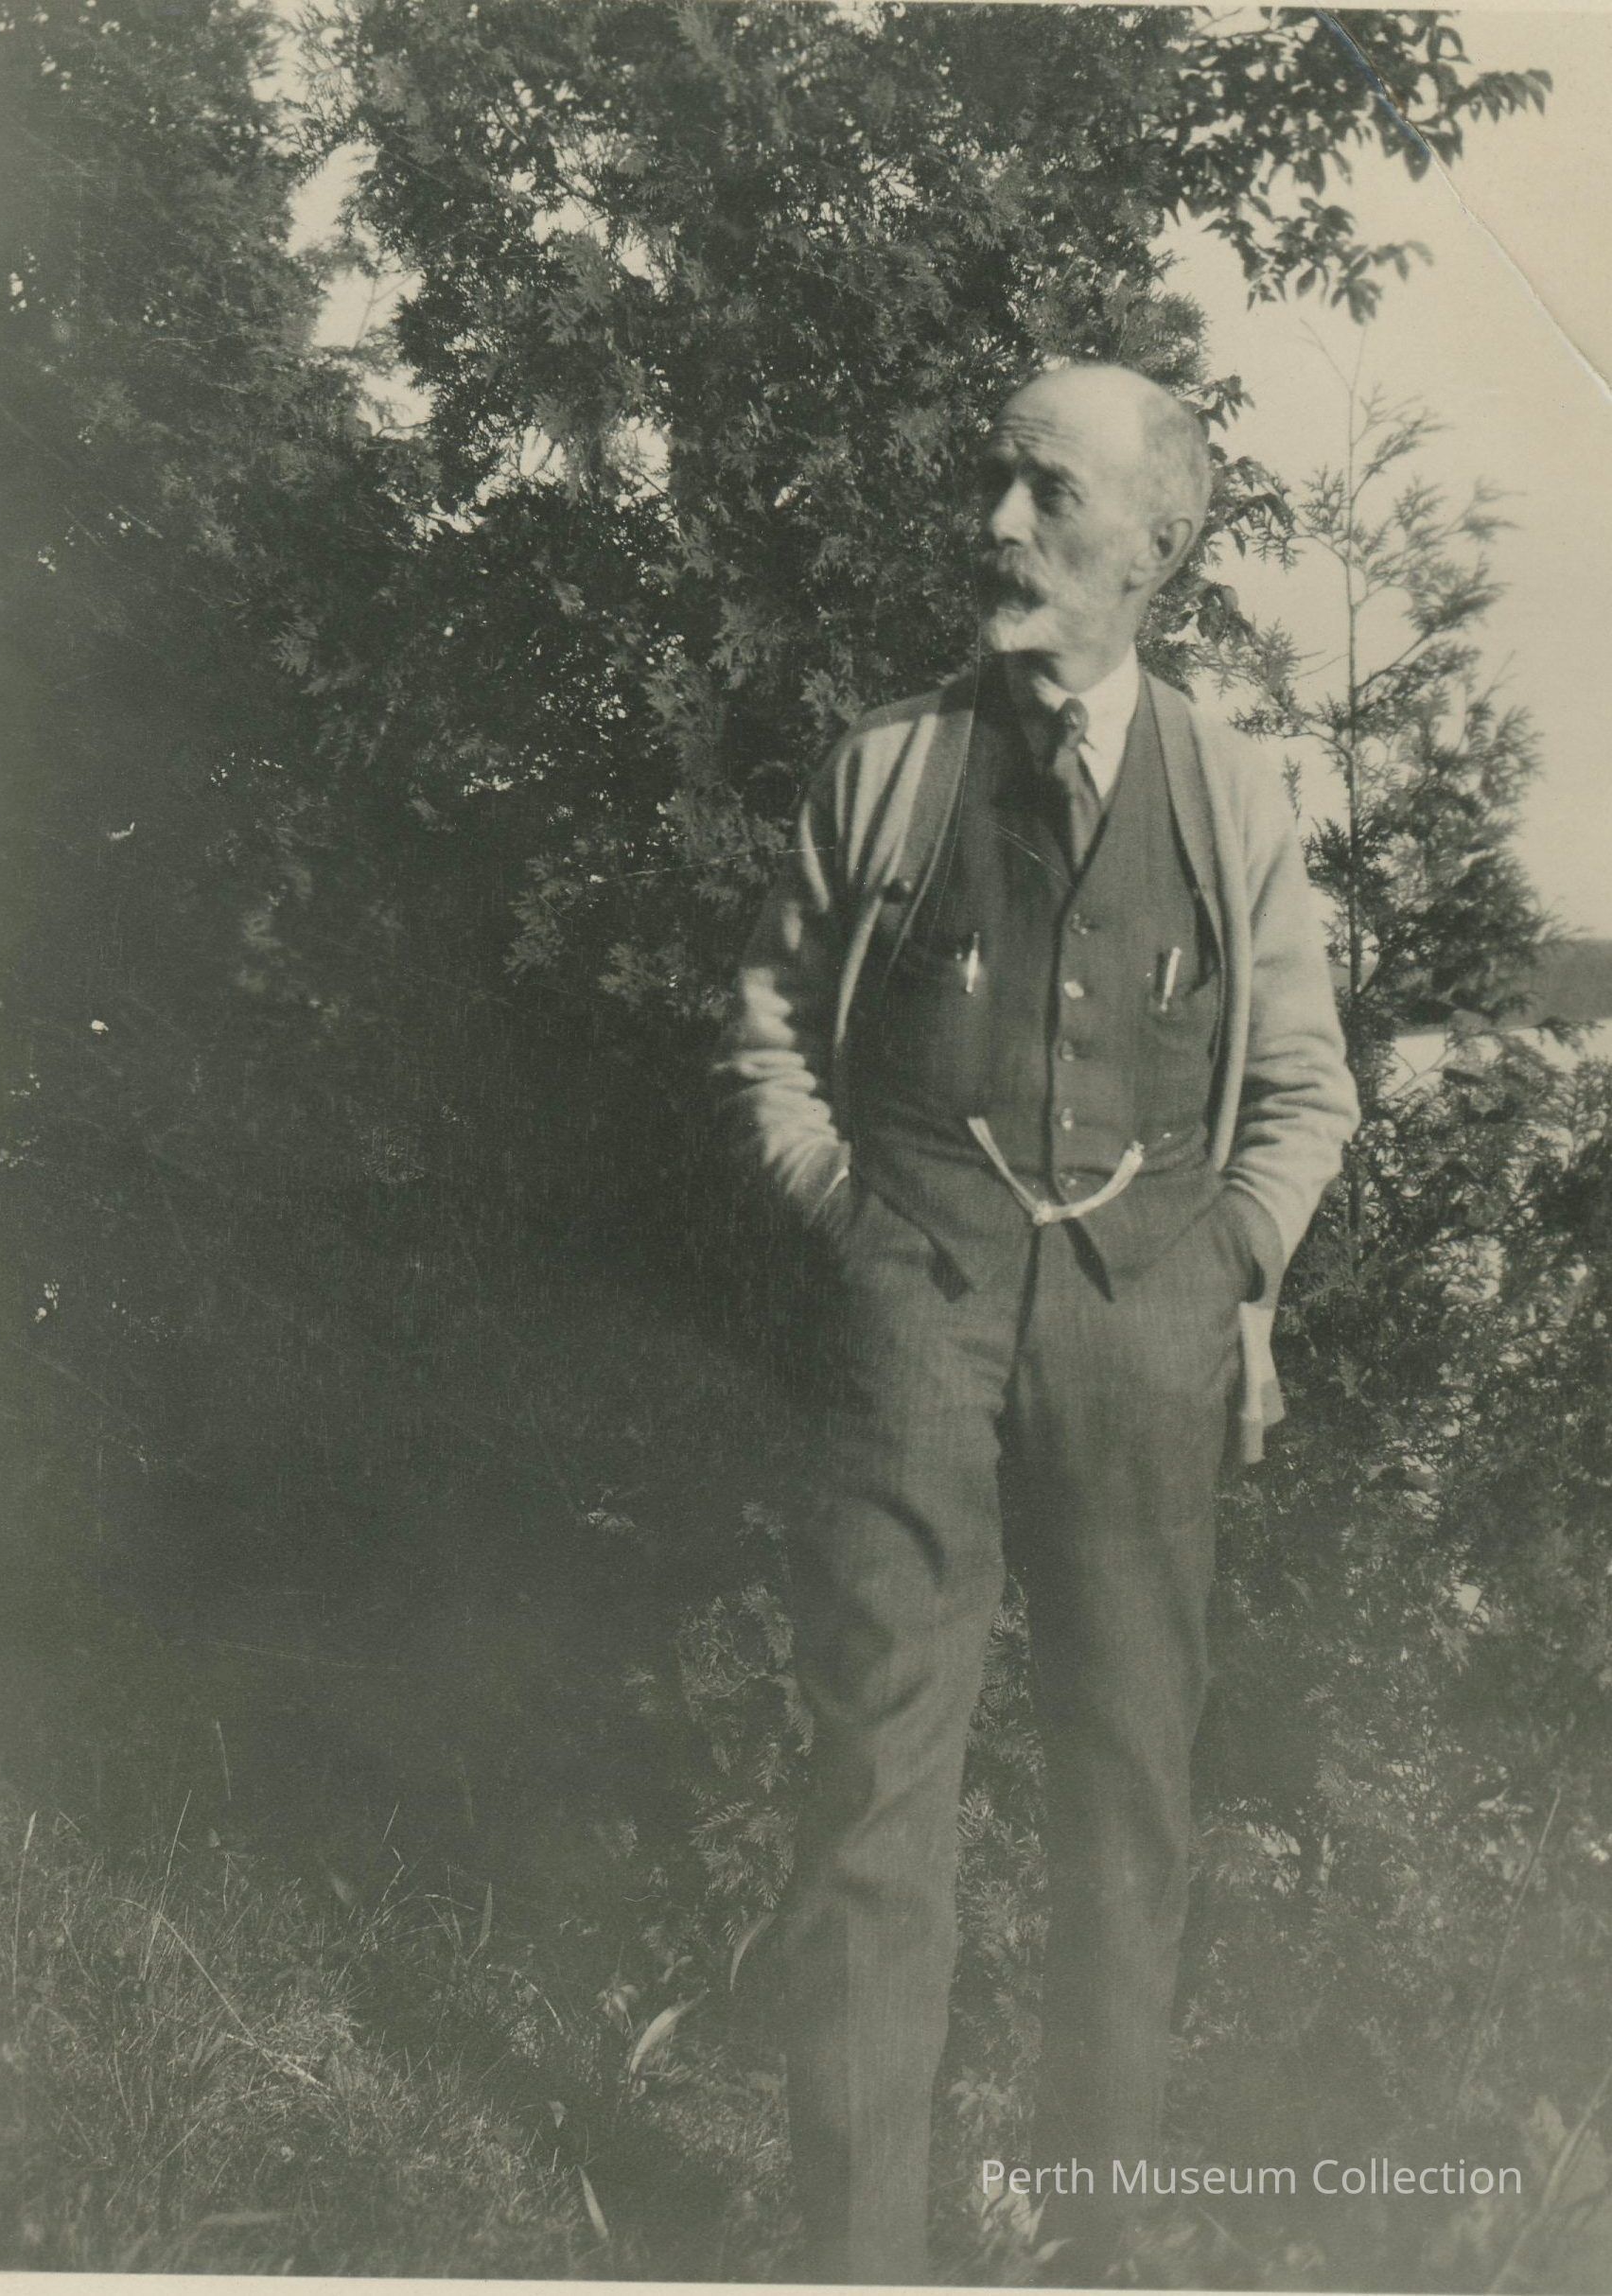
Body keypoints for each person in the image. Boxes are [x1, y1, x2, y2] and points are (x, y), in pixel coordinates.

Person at [719, 359, 1359, 2285]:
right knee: (874, 1786)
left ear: (1154, 544)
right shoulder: (889, 769)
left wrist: (1220, 1270)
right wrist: (848, 1217)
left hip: (1142, 1322)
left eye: (1048, 494)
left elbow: (1304, 1088)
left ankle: (1096, 2239)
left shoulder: (1230, 787)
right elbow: (769, 1029)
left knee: (1124, 1788)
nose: (998, 524)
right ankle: (858, 2254)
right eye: (995, 485)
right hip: (912, 1300)